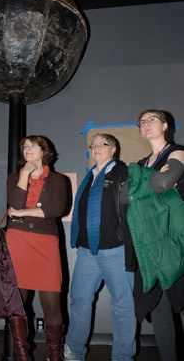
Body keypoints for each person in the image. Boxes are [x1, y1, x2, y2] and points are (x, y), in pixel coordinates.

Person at [64, 133, 136, 361]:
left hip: (115, 251)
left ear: (113, 149)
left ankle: (122, 356)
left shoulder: (124, 173)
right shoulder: (90, 176)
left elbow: (133, 210)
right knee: (79, 301)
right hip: (87, 252)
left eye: (102, 144)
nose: (96, 148)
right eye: (93, 145)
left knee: (123, 307)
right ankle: (74, 352)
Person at [126, 109, 184, 361]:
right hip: (150, 242)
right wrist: (153, 179)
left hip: (176, 237)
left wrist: (141, 185)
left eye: (151, 120)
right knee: (159, 308)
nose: (145, 124)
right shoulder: (139, 164)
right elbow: (122, 196)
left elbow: (164, 182)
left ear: (165, 125)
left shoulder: (177, 152)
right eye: (142, 122)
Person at [6, 135, 67, 361]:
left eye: (33, 146)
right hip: (17, 242)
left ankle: (55, 355)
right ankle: (23, 355)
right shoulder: (15, 177)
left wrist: (21, 214)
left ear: (45, 151)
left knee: (52, 302)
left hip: (45, 242)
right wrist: (24, 175)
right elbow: (16, 201)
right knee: (17, 303)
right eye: (24, 146)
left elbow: (55, 209)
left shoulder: (58, 180)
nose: (28, 149)